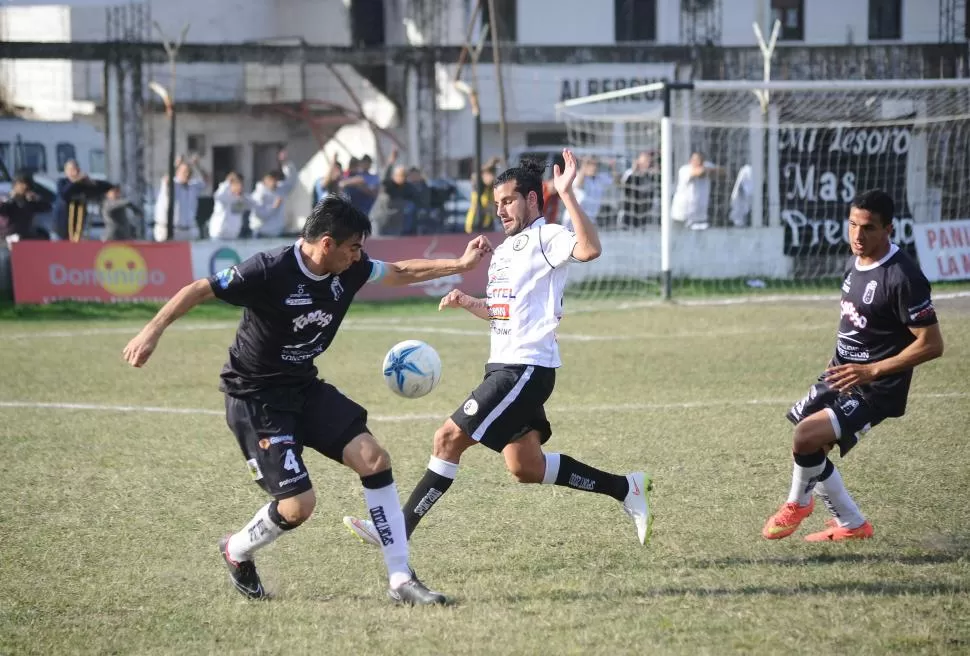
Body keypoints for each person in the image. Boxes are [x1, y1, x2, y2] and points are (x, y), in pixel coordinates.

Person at [122, 194, 493, 605]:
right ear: (327, 244)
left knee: (375, 459)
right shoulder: (269, 270)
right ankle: (237, 550)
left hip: (303, 386)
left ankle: (400, 579)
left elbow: (401, 270)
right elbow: (199, 288)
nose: (360, 257)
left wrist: (459, 265)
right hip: (256, 398)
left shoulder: (349, 270)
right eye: (354, 247)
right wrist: (151, 330)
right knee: (298, 506)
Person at [342, 149, 653, 558]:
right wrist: (467, 301)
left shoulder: (548, 236)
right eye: (497, 203)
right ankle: (624, 488)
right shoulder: (503, 252)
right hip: (504, 368)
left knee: (446, 439)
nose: (501, 209)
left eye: (508, 200)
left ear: (531, 199)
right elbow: (503, 311)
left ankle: (396, 531)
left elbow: (590, 249)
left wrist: (568, 194)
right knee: (526, 467)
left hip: (525, 369)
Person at [762, 189, 944, 542]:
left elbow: (932, 344)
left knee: (806, 436)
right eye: (853, 225)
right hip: (842, 373)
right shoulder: (856, 260)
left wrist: (872, 370)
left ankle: (797, 504)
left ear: (888, 229)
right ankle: (852, 524)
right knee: (808, 446)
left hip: (877, 387)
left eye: (869, 228)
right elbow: (859, 323)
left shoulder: (903, 276)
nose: (858, 236)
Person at [0, 174, 51, 243]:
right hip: (8, 236)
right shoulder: (8, 198)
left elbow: (47, 207)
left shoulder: (29, 201)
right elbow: (3, 210)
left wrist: (37, 199)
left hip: (25, 235)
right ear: (15, 185)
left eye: (26, 184)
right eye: (21, 184)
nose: (24, 187)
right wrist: (11, 198)